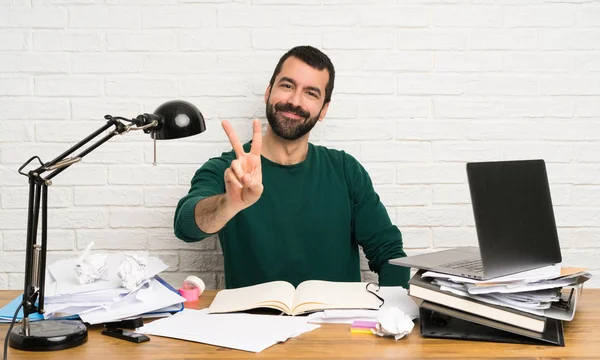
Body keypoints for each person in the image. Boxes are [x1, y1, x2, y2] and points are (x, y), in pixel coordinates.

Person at [174, 45, 409, 289]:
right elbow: (185, 226)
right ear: (268, 92)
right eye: (287, 86)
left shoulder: (345, 169)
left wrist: (392, 313)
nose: (295, 101)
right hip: (250, 323)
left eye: (311, 93)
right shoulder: (228, 170)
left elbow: (389, 252)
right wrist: (229, 203)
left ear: (323, 109)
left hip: (335, 325)